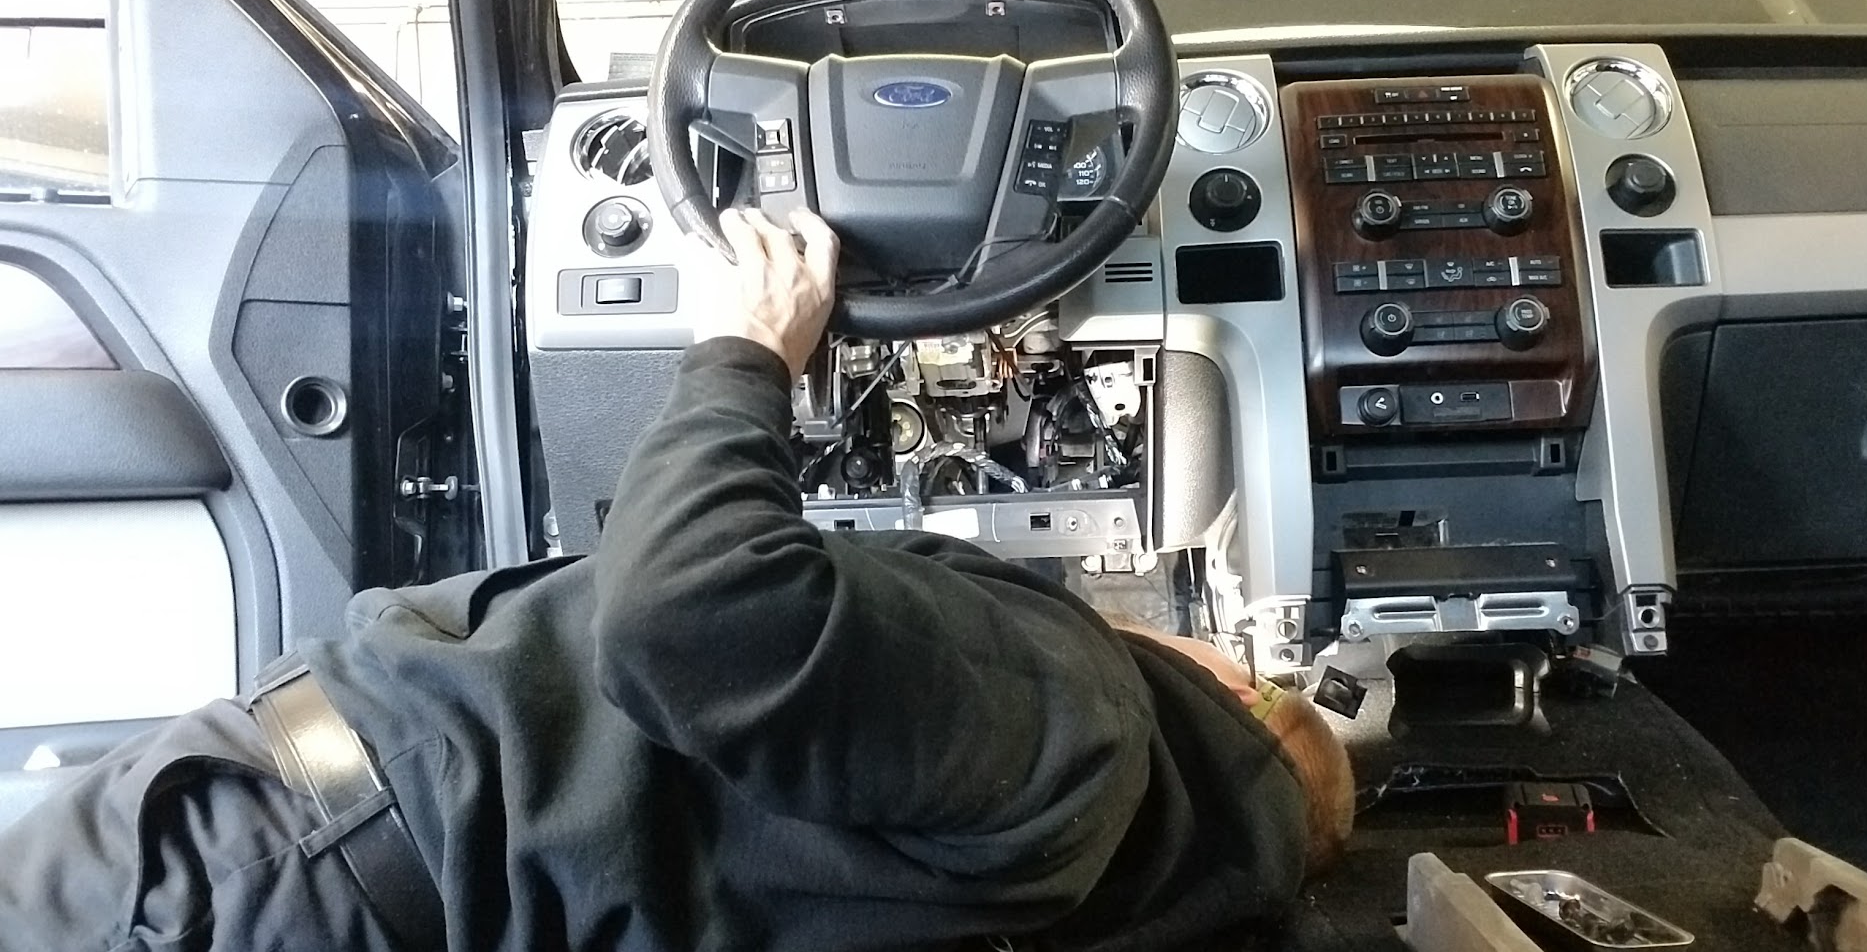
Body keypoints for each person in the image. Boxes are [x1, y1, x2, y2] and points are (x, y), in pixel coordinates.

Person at [0, 208, 1353, 952]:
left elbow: (689, 605)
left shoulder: (1092, 727)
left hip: (274, 869)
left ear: (1234, 697)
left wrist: (745, 354)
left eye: (1252, 670)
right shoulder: (1071, 888)